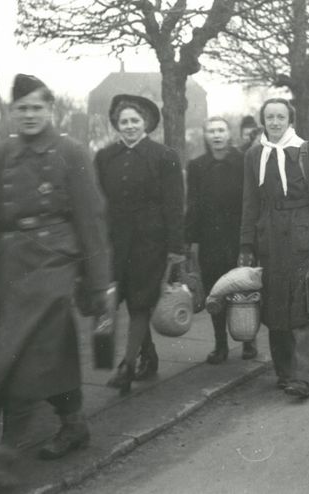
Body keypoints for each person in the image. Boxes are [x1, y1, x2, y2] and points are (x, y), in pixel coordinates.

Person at [0, 74, 112, 486]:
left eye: (37, 107)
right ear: (12, 112)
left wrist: (99, 284)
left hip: (56, 263)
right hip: (11, 267)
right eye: (22, 108)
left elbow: (91, 220)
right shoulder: (2, 154)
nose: (29, 115)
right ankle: (74, 424)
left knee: (24, 354)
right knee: (51, 352)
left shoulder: (70, 152)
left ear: (51, 110)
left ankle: (5, 452)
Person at [239, 98, 309, 399]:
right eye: (270, 117)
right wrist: (246, 244)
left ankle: (303, 377)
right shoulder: (255, 155)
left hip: (303, 237)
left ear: (290, 120)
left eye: (281, 116)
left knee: (307, 305)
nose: (276, 122)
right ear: (263, 121)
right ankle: (284, 372)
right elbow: (250, 203)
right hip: (270, 239)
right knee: (275, 305)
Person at [94, 94, 185, 393]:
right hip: (116, 241)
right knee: (117, 300)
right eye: (124, 122)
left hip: (151, 242)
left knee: (140, 301)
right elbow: (99, 202)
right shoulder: (105, 157)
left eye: (135, 121)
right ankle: (148, 354)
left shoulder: (164, 156)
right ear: (116, 125)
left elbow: (174, 205)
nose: (130, 126)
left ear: (145, 123)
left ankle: (127, 365)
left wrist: (175, 248)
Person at [185, 117, 257, 364]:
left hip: (237, 236)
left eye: (221, 130)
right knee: (215, 292)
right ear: (205, 135)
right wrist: (189, 241)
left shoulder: (242, 162)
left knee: (243, 290)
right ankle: (220, 345)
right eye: (211, 131)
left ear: (229, 134)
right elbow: (192, 205)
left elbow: (251, 201)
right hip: (210, 239)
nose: (216, 135)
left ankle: (248, 340)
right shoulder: (197, 166)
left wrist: (250, 237)